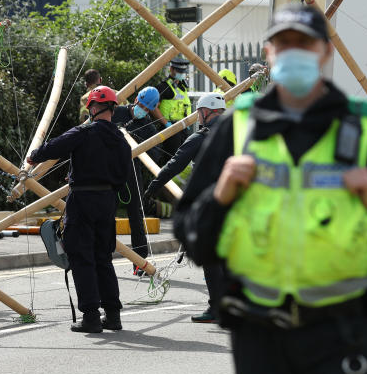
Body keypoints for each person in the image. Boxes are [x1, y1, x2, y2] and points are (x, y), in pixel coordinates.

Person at [174, 3, 367, 374]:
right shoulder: (236, 130)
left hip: (343, 329)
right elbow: (193, 238)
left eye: (304, 44)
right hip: (260, 336)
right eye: (284, 44)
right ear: (269, 52)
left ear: (325, 53)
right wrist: (220, 196)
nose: (294, 53)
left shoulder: (364, 130)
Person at [28, 86, 131, 333]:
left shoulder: (84, 132)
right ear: (113, 109)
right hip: (107, 201)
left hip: (83, 201)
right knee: (103, 258)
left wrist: (34, 156)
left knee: (82, 257)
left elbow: (53, 147)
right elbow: (122, 174)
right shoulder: (121, 139)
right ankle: (113, 316)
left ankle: (91, 317)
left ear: (93, 108)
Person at [144, 92, 226, 323]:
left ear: (207, 111)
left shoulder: (202, 137)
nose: (198, 116)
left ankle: (216, 308)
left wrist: (153, 186)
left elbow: (174, 164)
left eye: (199, 111)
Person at [111, 86, 162, 263]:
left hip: (132, 172)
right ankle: (103, 253)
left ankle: (140, 260)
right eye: (142, 106)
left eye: (147, 109)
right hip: (110, 170)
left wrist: (140, 142)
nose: (143, 110)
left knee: (136, 216)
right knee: (106, 212)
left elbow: (156, 155)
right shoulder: (117, 112)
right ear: (135, 100)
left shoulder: (149, 127)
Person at [153, 55, 192, 156]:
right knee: (171, 159)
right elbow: (153, 108)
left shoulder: (183, 87)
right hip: (170, 130)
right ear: (171, 69)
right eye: (179, 71)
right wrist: (166, 124)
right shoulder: (164, 87)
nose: (182, 74)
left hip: (183, 129)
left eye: (183, 71)